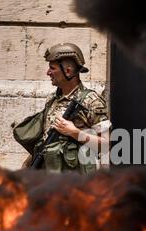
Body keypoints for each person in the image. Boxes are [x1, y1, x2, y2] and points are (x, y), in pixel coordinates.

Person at [13, 43, 111, 173]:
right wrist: (28, 165)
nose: (48, 73)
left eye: (52, 68)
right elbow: (47, 140)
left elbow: (105, 145)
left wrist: (74, 132)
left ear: (68, 71)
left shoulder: (91, 101)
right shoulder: (52, 100)